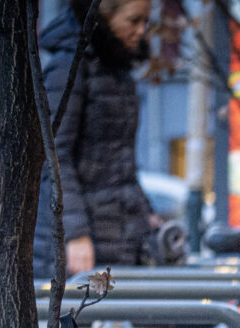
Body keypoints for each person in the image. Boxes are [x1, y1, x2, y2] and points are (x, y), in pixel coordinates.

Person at [34, 0, 156, 277]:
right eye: (134, 20)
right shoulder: (69, 67)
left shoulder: (117, 71)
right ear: (104, 15)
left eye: (146, 22)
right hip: (81, 242)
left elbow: (118, 162)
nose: (142, 31)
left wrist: (146, 213)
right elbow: (52, 155)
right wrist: (74, 233)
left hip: (114, 236)